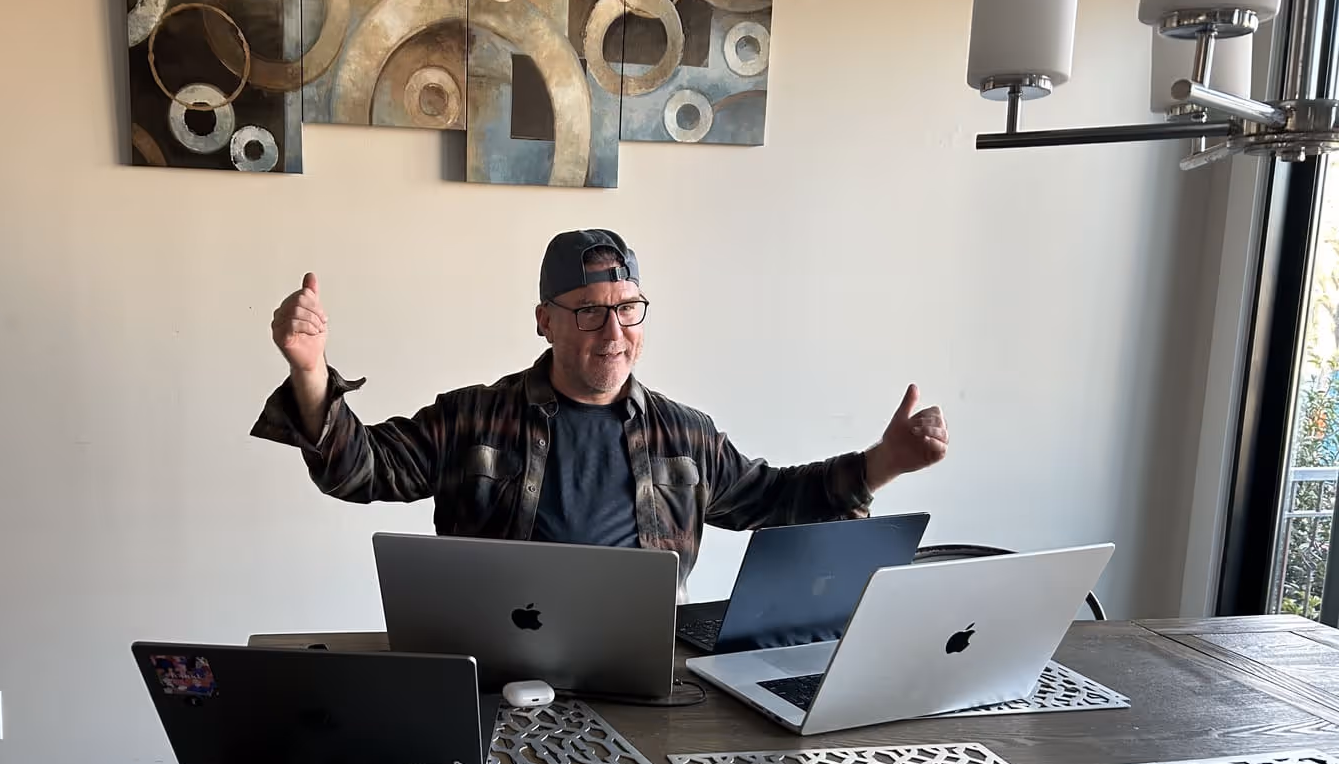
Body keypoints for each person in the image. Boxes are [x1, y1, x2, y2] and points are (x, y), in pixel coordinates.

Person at [252, 228, 948, 594]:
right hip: (491, 669)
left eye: (627, 310)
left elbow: (776, 498)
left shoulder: (687, 437)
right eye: (587, 313)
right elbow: (358, 471)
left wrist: (886, 463)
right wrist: (309, 372)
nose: (613, 334)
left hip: (642, 673)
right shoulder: (471, 420)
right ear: (544, 322)